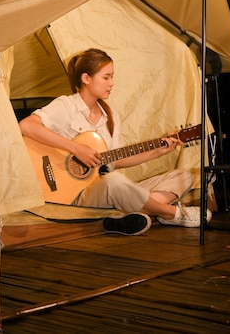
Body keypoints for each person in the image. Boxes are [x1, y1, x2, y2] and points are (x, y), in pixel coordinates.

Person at [18, 48, 212, 236]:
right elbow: (26, 126)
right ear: (86, 79)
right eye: (106, 77)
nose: (111, 83)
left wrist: (157, 151)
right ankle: (170, 213)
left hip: (103, 188)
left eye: (112, 77)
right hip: (76, 193)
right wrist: (76, 148)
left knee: (183, 176)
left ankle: (134, 212)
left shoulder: (110, 116)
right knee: (115, 181)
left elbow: (116, 159)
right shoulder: (66, 106)